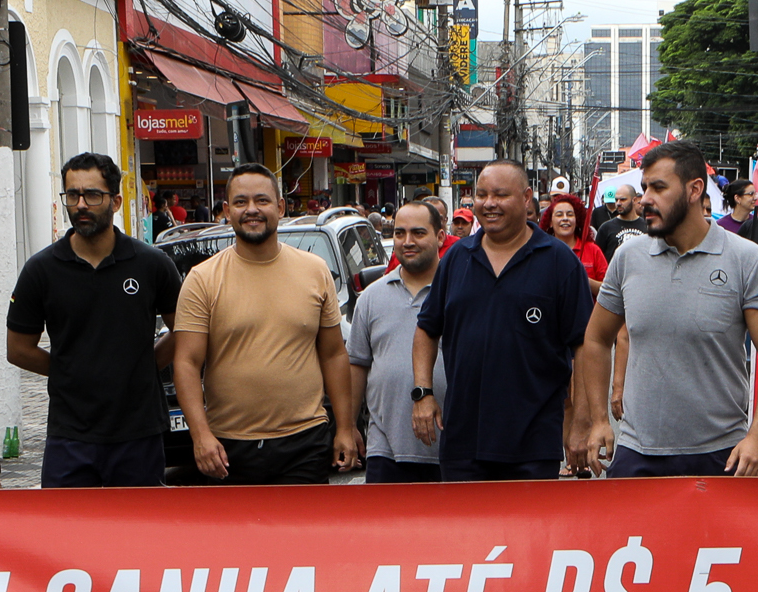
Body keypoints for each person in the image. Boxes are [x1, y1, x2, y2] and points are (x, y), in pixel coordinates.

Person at [568, 140, 758, 478]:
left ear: (694, 189)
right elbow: (597, 339)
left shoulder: (747, 259)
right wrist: (600, 419)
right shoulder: (628, 258)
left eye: (658, 187)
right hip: (636, 453)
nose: (645, 200)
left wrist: (757, 437)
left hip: (720, 455)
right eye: (644, 188)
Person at [171, 163, 358, 485]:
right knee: (238, 537)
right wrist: (200, 435)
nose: (252, 210)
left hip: (305, 442)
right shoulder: (202, 279)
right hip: (228, 448)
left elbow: (334, 355)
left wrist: (344, 427)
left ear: (281, 207)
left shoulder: (315, 270)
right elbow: (186, 362)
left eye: (262, 200)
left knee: (303, 535)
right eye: (241, 202)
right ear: (227, 211)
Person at [3, 153, 182, 488]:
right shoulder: (41, 270)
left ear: (115, 201)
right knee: (65, 534)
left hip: (138, 431)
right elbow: (18, 349)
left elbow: (185, 330)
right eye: (73, 195)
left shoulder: (151, 264)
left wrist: (145, 364)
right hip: (70, 433)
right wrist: (70, 370)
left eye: (92, 195)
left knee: (138, 533)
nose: (81, 204)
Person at [414, 160, 594, 480]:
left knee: (529, 532)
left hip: (533, 445)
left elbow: (584, 347)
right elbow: (427, 328)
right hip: (462, 443)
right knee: (465, 531)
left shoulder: (559, 262)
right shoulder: (456, 259)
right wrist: (423, 393)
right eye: (481, 195)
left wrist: (581, 422)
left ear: (526, 199)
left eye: (500, 194)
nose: (489, 204)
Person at [349, 200, 448, 483]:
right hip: (386, 449)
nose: (408, 242)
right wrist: (347, 427)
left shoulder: (460, 292)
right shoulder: (372, 296)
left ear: (440, 237)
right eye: (400, 233)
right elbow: (357, 365)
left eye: (418, 233)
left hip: (451, 449)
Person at [543, 192, 609, 283]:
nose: (565, 219)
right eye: (559, 215)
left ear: (577, 220)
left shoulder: (593, 251)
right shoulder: (543, 251)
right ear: (550, 222)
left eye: (570, 214)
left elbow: (608, 290)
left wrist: (582, 278)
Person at [598, 184, 643, 257]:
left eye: (623, 199)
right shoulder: (606, 228)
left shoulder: (647, 226)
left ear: (634, 200)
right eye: (616, 200)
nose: (618, 203)